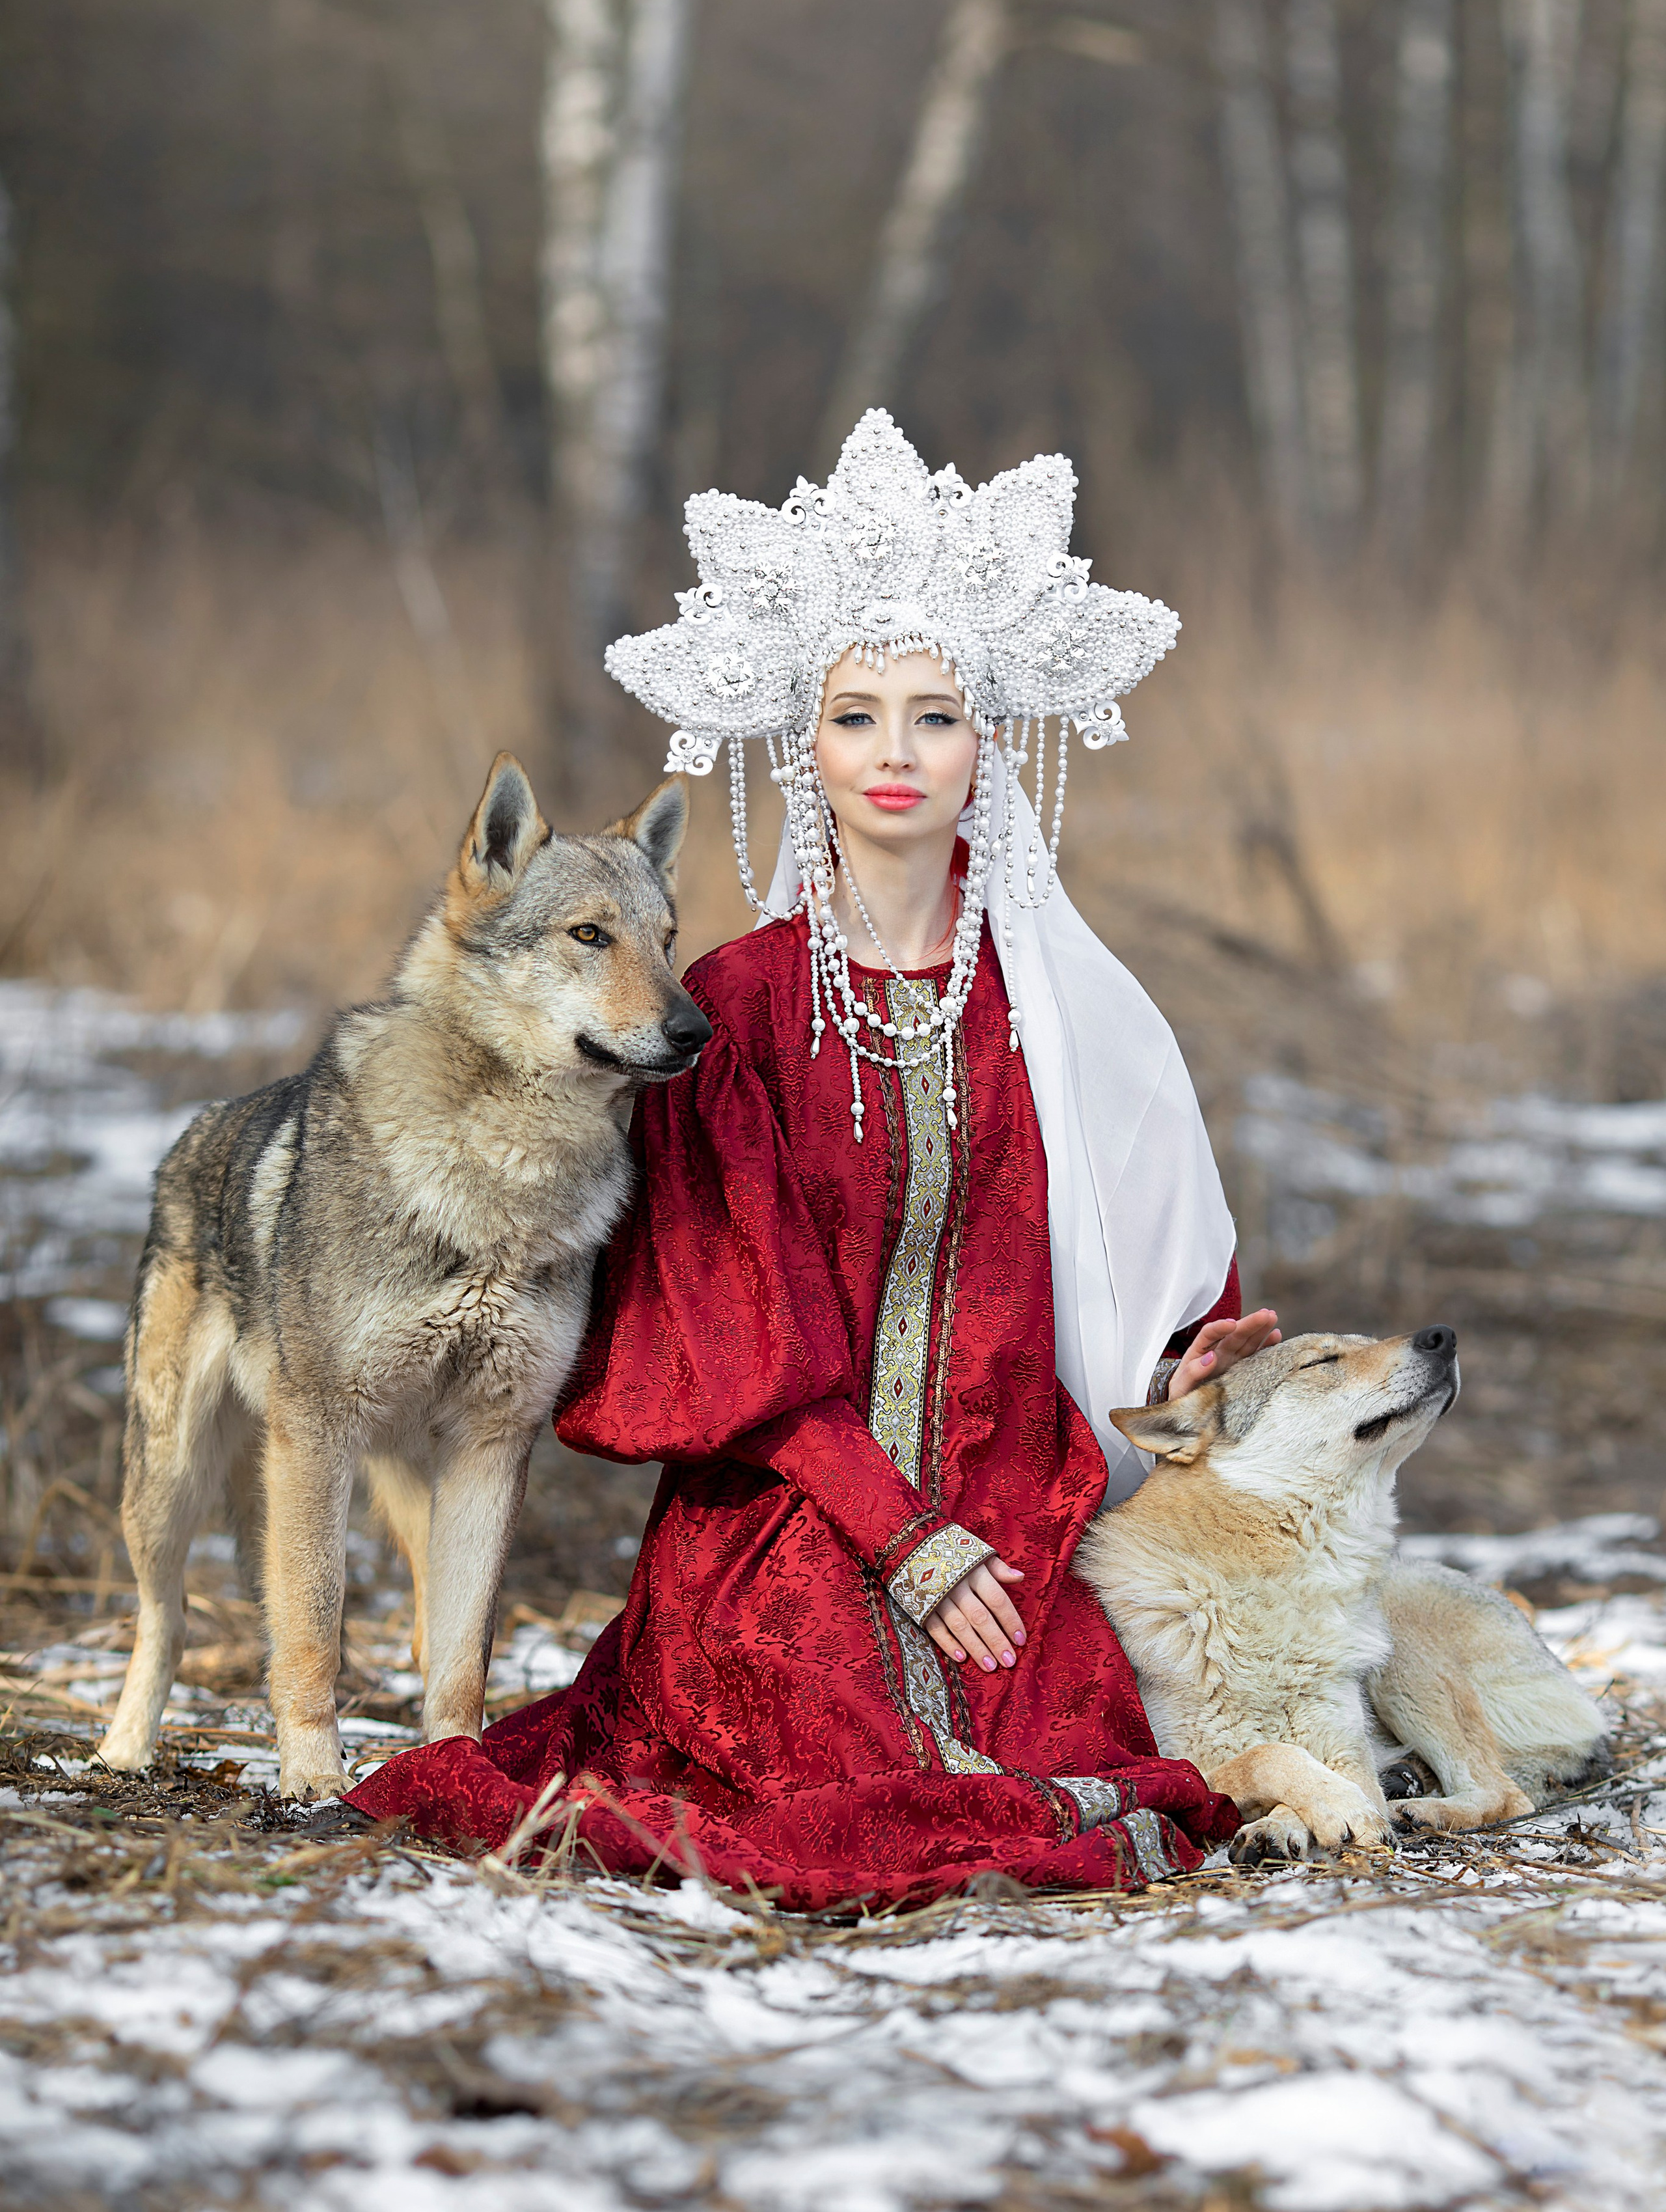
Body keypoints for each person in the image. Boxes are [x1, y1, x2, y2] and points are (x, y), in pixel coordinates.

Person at [350, 411, 1279, 1907]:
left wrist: (1188, 1360)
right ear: (805, 743)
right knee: (820, 1747)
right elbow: (730, 1339)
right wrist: (900, 1536)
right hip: (785, 1522)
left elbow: (1141, 1280)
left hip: (1016, 1508)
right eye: (856, 715)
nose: (894, 752)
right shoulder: (736, 1011)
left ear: (989, 742)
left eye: (934, 715)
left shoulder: (1065, 1015)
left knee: (1061, 1751)